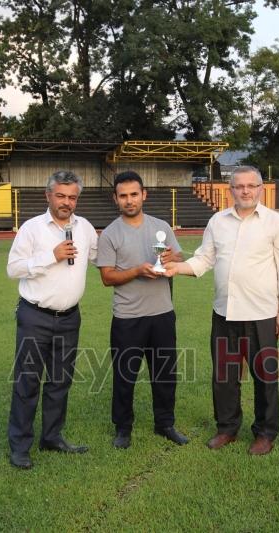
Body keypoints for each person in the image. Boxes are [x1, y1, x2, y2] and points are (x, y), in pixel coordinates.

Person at [163, 166, 279, 455]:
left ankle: (265, 433)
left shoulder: (275, 223)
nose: (246, 191)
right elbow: (203, 260)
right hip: (224, 314)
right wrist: (176, 267)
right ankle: (227, 429)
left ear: (262, 188)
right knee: (224, 376)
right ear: (230, 190)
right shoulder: (217, 222)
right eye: (239, 186)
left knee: (265, 377)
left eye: (252, 185)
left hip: (262, 314)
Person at [6, 170, 98, 469]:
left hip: (70, 317)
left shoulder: (84, 228)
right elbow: (14, 268)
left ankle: (52, 437)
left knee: (60, 381)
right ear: (48, 195)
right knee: (28, 381)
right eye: (61, 195)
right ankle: (20, 446)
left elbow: (101, 257)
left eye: (72, 197)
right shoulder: (32, 229)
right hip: (35, 316)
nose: (66, 202)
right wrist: (51, 255)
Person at [97, 171, 188, 449]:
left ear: (144, 194)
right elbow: (107, 277)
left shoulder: (161, 226)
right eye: (123, 195)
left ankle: (165, 424)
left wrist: (172, 257)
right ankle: (123, 429)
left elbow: (178, 256)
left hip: (162, 313)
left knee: (164, 373)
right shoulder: (110, 233)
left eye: (134, 194)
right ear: (115, 199)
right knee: (125, 376)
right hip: (128, 317)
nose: (129, 200)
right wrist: (137, 270)